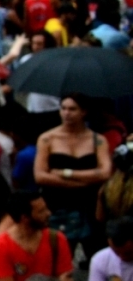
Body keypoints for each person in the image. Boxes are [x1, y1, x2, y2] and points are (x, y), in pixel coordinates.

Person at [34, 93, 113, 256]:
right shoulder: (47, 138)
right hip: (57, 204)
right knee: (56, 254)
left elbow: (105, 172)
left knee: (96, 251)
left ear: (83, 112)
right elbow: (40, 175)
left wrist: (66, 173)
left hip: (90, 205)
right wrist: (83, 182)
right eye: (63, 108)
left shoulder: (97, 140)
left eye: (72, 109)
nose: (66, 113)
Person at [0, 190, 74, 281]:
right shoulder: (0, 246)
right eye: (41, 211)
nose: (48, 213)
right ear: (25, 218)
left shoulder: (56, 239)